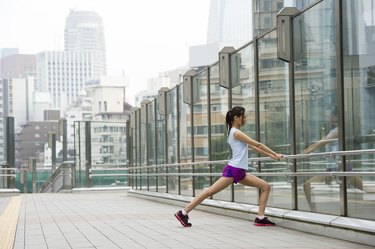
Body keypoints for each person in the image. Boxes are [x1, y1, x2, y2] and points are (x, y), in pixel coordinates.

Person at [174, 106, 284, 227]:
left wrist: (271, 156)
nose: (245, 119)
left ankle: (260, 217)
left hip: (239, 171)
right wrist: (275, 153)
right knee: (209, 191)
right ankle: (183, 212)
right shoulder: (236, 132)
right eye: (243, 116)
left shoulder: (234, 132)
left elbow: (254, 147)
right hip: (234, 170)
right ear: (236, 118)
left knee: (265, 186)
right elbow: (257, 143)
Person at [302, 107, 363, 211]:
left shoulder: (338, 130)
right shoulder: (330, 131)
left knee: (366, 188)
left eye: (330, 115)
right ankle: (314, 211)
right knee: (307, 185)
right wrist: (307, 151)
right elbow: (319, 142)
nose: (327, 118)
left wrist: (306, 152)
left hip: (341, 167)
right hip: (331, 169)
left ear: (336, 117)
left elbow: (321, 143)